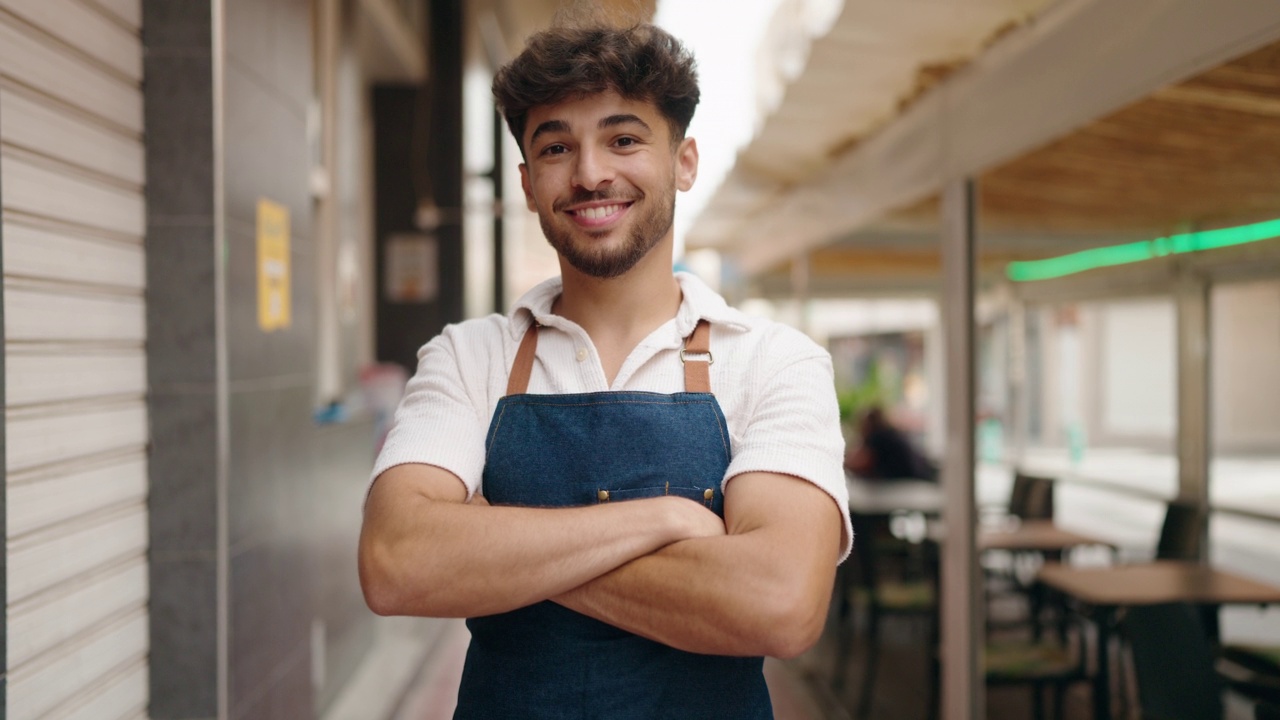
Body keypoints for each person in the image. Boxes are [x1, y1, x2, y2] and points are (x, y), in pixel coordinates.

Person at [358, 17, 852, 720]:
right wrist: (665, 519)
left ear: (683, 161)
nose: (590, 174)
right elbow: (395, 561)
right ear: (527, 184)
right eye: (557, 146)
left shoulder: (774, 362)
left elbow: (779, 604)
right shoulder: (471, 356)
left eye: (624, 139)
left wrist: (489, 539)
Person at [844, 405, 938, 481]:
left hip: (909, 481)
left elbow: (863, 463)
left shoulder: (878, 436)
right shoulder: (888, 433)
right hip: (919, 475)